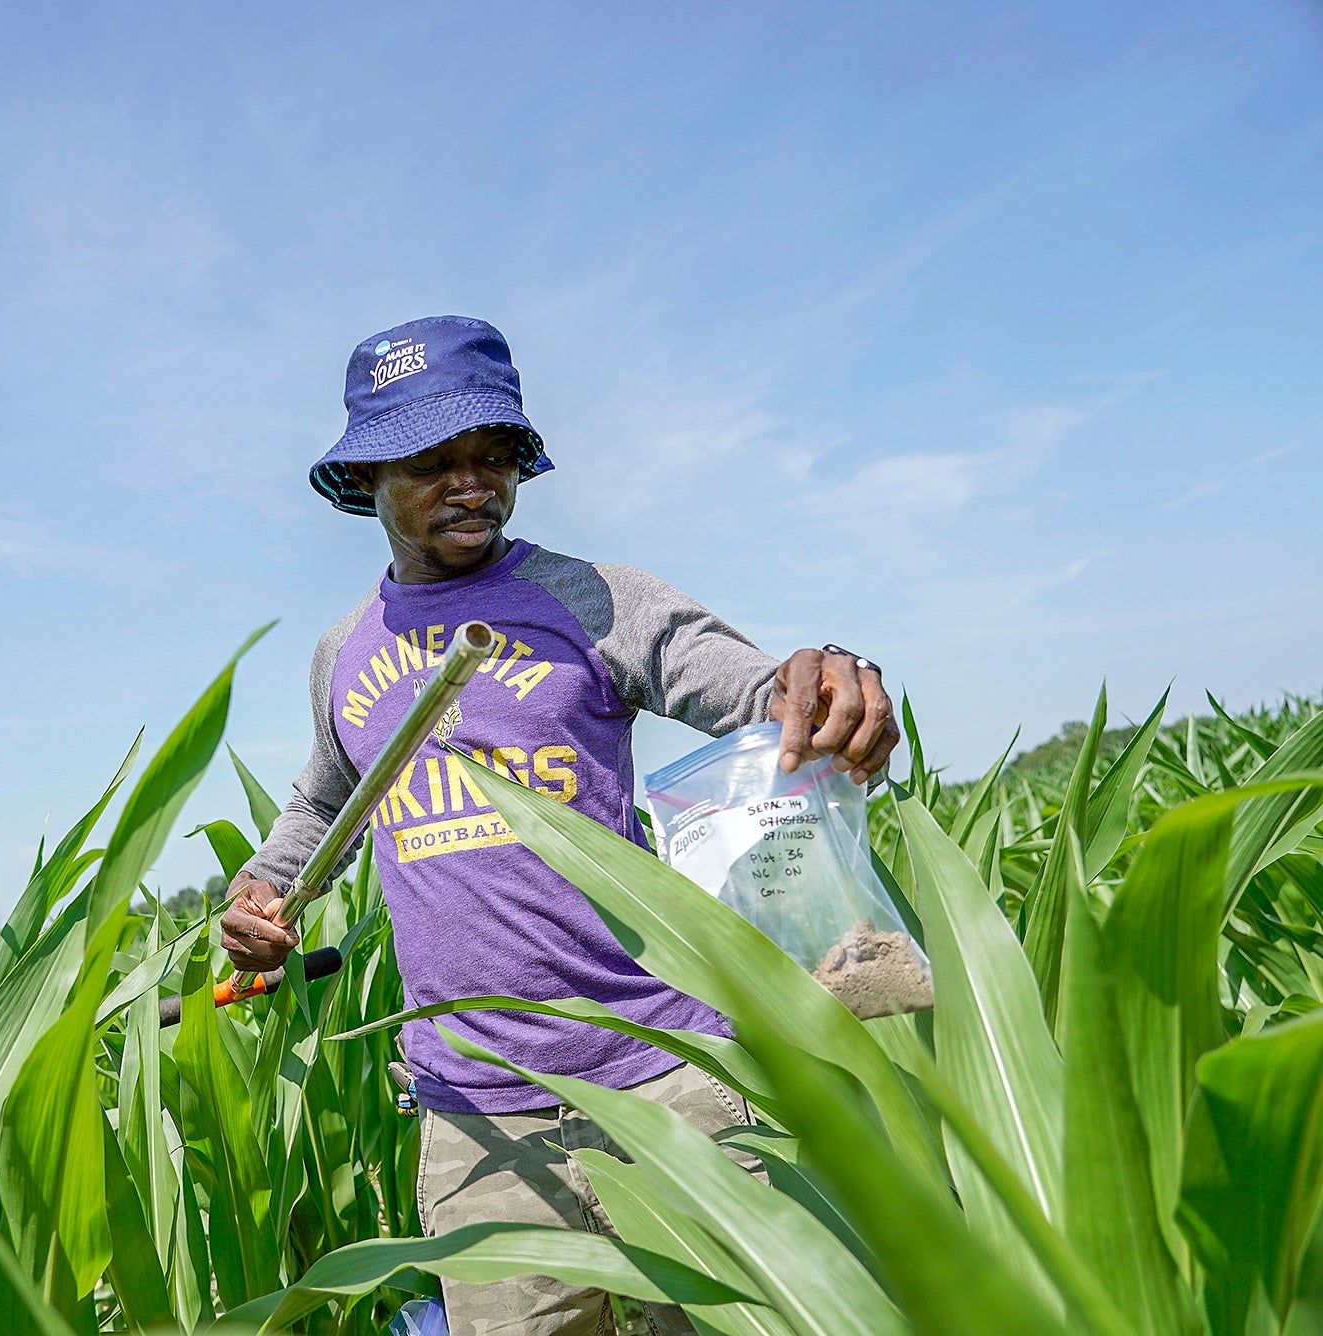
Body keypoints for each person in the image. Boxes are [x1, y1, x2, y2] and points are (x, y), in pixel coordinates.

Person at [222, 316, 899, 1336]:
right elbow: (323, 801)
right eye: (431, 462)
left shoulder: (590, 599)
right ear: (365, 477)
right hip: (476, 1120)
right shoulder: (343, 652)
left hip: (669, 1076)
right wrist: (258, 890)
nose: (470, 484)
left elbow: (759, 689)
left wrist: (829, 676)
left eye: (491, 456)